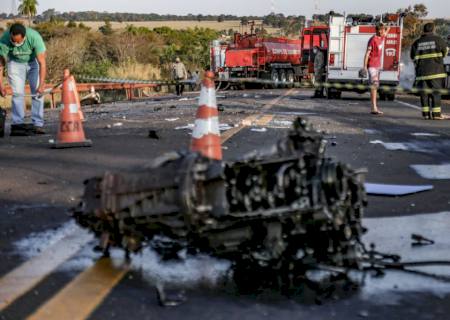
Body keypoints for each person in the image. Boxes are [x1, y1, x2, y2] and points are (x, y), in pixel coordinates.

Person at [0, 23, 47, 135]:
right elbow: (0, 65)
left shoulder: (34, 37)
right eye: (13, 41)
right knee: (17, 94)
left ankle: (38, 124)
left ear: (24, 37)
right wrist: (0, 86)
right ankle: (18, 124)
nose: (16, 44)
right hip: (15, 63)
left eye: (18, 41)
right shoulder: (5, 39)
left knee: (37, 92)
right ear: (10, 35)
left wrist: (41, 85)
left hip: (33, 63)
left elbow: (42, 64)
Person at [411, 23, 448, 120]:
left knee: (424, 93)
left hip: (422, 73)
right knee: (435, 93)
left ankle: (426, 114)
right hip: (436, 72)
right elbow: (445, 51)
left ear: (424, 30)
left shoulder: (417, 42)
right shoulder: (438, 40)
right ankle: (436, 115)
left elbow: (413, 57)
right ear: (433, 29)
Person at [363, 23, 388, 115]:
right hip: (372, 66)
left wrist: (386, 26)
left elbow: (387, 30)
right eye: (379, 30)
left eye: (383, 30)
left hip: (377, 66)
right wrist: (365, 66)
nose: (381, 32)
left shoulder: (381, 38)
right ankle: (374, 108)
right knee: (374, 86)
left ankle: (374, 107)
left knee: (375, 86)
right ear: (376, 30)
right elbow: (367, 53)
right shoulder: (373, 40)